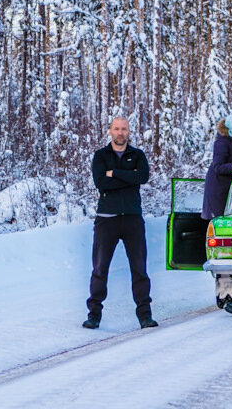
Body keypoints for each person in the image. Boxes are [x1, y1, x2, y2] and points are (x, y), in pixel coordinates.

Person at [82, 117, 157, 330]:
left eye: (124, 129)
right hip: (107, 220)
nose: (120, 132)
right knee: (100, 269)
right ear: (110, 131)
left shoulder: (137, 155)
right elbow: (100, 182)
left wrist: (114, 173)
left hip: (133, 218)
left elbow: (142, 177)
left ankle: (145, 316)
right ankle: (94, 315)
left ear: (129, 131)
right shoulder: (101, 156)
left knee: (139, 269)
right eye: (116, 129)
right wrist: (128, 177)